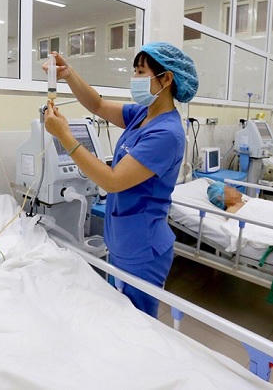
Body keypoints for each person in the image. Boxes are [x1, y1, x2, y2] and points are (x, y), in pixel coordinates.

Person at [42, 42, 198, 317]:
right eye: (134, 71)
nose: (134, 78)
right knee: (121, 319)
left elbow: (112, 181)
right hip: (122, 239)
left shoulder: (166, 133)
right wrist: (68, 74)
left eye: (141, 72)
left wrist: (64, 136)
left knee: (138, 324)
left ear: (166, 79)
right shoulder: (142, 115)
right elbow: (98, 104)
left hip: (143, 247)